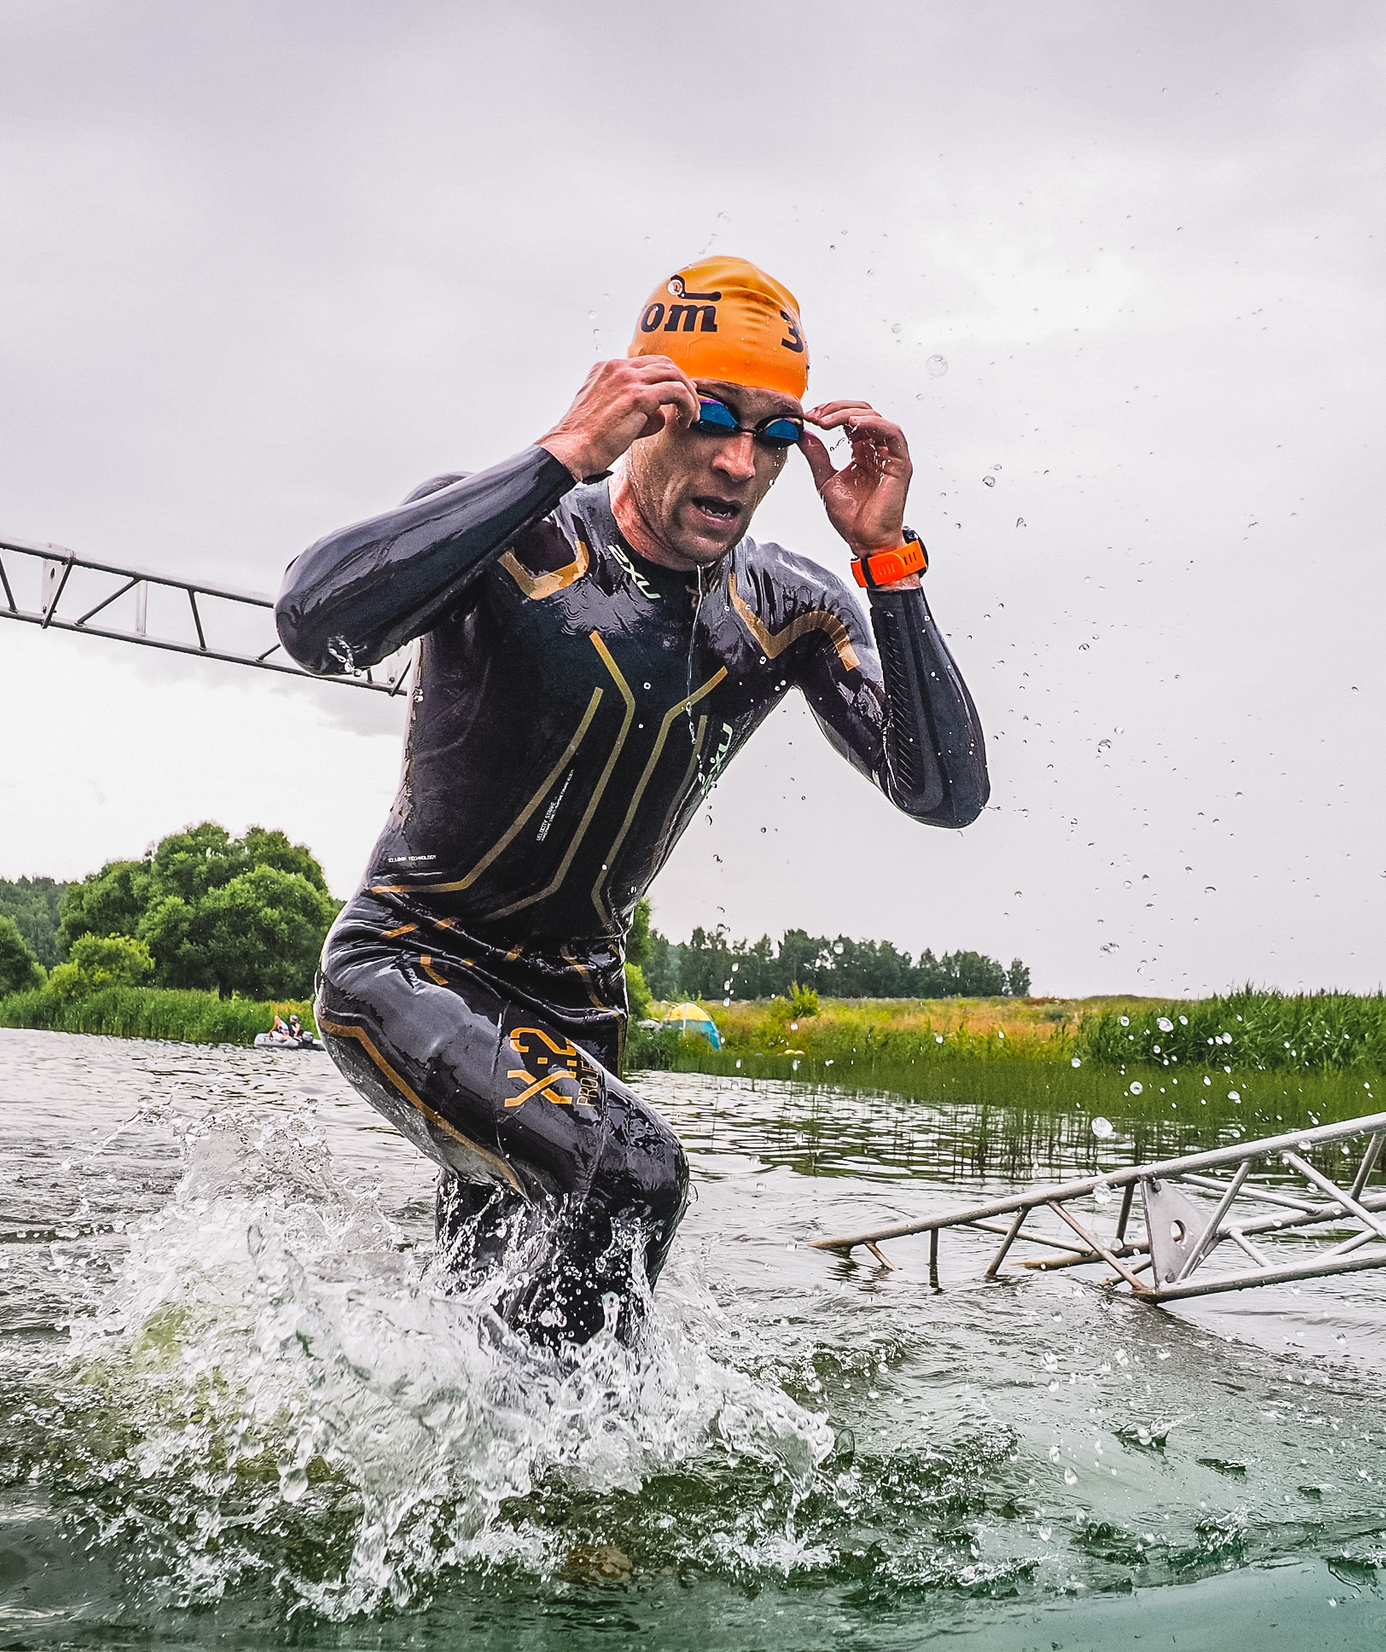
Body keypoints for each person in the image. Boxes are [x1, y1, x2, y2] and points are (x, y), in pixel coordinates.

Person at [276, 256, 988, 1345]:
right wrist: (560, 453)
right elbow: (316, 624)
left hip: (581, 1010)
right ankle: (576, 1510)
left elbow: (941, 794)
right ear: (643, 408)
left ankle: (460, 1470)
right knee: (630, 1176)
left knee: (488, 1306)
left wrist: (889, 561)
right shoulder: (522, 535)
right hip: (410, 968)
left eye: (778, 434)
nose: (742, 462)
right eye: (713, 416)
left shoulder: (789, 607)